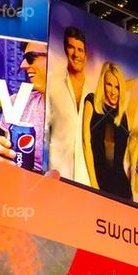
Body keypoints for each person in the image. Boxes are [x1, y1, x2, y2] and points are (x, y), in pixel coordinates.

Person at [0, 44, 47, 171]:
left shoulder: (84, 108)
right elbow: (8, 158)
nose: (23, 65)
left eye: (31, 58)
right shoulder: (17, 102)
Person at [47, 27, 91, 185]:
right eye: (71, 47)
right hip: (58, 177)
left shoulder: (95, 89)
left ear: (86, 55)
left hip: (88, 182)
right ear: (65, 50)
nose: (76, 54)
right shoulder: (52, 83)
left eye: (80, 49)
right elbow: (44, 130)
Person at [82, 62, 131, 198]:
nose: (113, 91)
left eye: (117, 86)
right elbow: (86, 143)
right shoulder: (92, 102)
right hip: (98, 181)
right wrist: (93, 184)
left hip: (121, 185)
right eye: (109, 85)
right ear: (102, 83)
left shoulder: (123, 115)